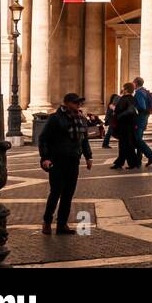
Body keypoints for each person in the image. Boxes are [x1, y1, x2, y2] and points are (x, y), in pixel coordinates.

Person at [38, 93, 93, 235]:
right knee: (55, 192)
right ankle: (47, 222)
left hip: (73, 160)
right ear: (66, 103)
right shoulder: (55, 119)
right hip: (57, 161)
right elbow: (43, 139)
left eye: (79, 103)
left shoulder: (81, 119)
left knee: (68, 194)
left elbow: (84, 139)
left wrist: (88, 157)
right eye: (75, 103)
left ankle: (62, 224)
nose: (78, 105)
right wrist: (45, 158)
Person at [110, 83, 141, 170]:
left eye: (123, 88)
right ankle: (121, 162)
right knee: (125, 144)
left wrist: (114, 109)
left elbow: (118, 110)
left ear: (126, 89)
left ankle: (132, 163)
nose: (122, 89)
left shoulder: (124, 99)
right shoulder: (133, 99)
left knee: (125, 144)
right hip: (130, 124)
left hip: (123, 125)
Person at [132, 76, 152, 167]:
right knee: (139, 139)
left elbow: (142, 107)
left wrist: (133, 108)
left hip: (140, 119)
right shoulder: (144, 91)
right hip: (144, 118)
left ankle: (151, 156)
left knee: (138, 140)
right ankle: (138, 161)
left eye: (133, 82)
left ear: (135, 83)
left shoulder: (139, 93)